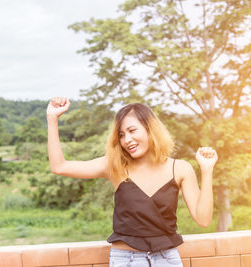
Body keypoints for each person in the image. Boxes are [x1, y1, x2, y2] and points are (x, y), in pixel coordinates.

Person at [46, 97, 218, 267]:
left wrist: (207, 169)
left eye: (132, 130)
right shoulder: (114, 166)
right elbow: (59, 166)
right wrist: (52, 119)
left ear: (150, 129)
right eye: (121, 135)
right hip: (126, 260)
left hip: (167, 259)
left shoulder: (180, 168)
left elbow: (203, 220)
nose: (127, 140)